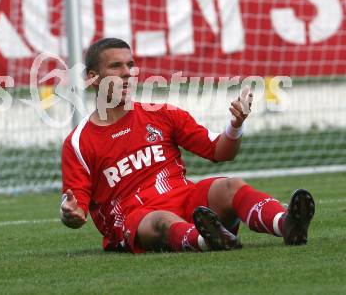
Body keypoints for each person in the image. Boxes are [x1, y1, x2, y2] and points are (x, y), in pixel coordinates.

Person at [60, 38, 315, 253]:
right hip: (136, 219)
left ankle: (287, 224)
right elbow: (77, 207)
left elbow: (219, 151)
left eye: (130, 65)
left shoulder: (162, 114)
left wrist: (236, 125)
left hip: (189, 203)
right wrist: (70, 213)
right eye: (116, 66)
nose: (127, 73)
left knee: (230, 185)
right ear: (93, 78)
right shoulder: (78, 142)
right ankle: (206, 239)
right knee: (160, 219)